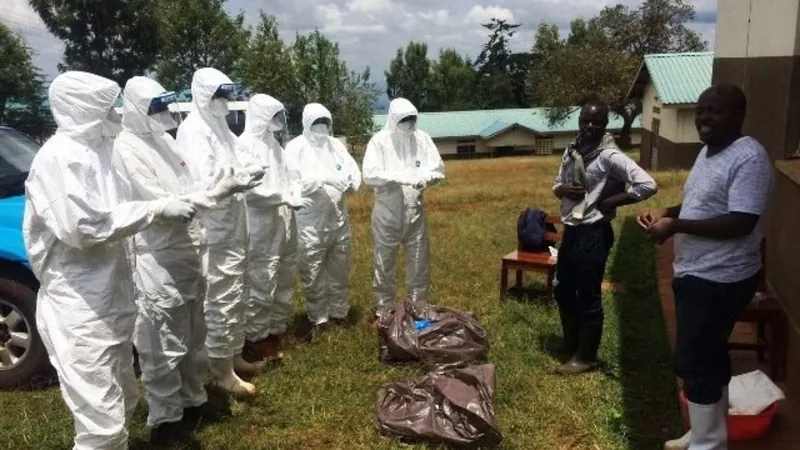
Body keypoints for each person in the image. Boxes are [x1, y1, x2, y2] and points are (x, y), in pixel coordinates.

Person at [22, 71, 197, 450]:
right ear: (84, 109)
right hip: (80, 307)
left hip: (114, 293)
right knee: (100, 421)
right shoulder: (59, 158)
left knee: (123, 398)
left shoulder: (105, 150)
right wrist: (155, 209)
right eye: (107, 105)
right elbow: (83, 229)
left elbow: (117, 210)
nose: (116, 112)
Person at [112, 76, 262, 444]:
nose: (163, 114)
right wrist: (213, 195)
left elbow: (191, 188)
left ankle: (193, 400)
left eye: (165, 105)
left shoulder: (165, 141)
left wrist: (221, 187)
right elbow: (164, 204)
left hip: (189, 249)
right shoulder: (126, 149)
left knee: (194, 332)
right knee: (162, 340)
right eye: (155, 108)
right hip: (157, 255)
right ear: (134, 110)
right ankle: (165, 421)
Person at [638, 85, 773, 450]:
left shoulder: (749, 158)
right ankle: (705, 432)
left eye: (715, 111)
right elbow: (701, 207)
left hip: (722, 277)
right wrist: (667, 213)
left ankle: (709, 443)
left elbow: (741, 222)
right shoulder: (708, 153)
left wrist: (676, 226)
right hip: (696, 271)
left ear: (739, 115)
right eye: (700, 111)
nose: (704, 118)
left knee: (695, 360)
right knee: (710, 354)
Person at [552, 99, 657, 376]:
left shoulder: (608, 155)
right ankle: (572, 342)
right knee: (563, 290)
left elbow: (647, 184)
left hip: (594, 232)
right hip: (572, 230)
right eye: (585, 120)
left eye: (596, 122)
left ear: (604, 124)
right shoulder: (573, 149)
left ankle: (586, 357)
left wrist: (613, 202)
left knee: (587, 294)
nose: (589, 126)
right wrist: (564, 189)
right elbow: (555, 186)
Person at [176, 68, 264, 396]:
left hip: (234, 224)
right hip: (214, 229)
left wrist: (251, 169)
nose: (223, 102)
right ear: (202, 96)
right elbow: (202, 184)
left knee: (236, 292)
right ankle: (219, 369)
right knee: (220, 298)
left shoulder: (221, 127)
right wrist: (230, 182)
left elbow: (240, 156)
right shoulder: (194, 131)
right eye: (217, 96)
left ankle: (234, 354)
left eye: (226, 95)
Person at [238, 94, 310, 360]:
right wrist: (281, 197)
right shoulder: (244, 146)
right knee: (262, 279)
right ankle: (257, 338)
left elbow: (292, 175)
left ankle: (277, 329)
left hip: (284, 221)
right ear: (259, 116)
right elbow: (249, 191)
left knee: (285, 275)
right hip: (260, 225)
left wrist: (295, 192)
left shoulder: (275, 146)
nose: (278, 122)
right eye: (273, 116)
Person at [284, 103, 361, 341]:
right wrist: (324, 179)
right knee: (313, 272)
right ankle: (319, 319)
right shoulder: (295, 148)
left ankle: (339, 313)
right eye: (316, 123)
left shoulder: (336, 145)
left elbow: (352, 169)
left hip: (338, 219)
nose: (321, 128)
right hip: (311, 224)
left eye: (325, 123)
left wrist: (352, 183)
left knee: (340, 268)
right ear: (307, 124)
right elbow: (293, 181)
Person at [362, 97, 444, 320]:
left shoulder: (422, 138)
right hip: (387, 214)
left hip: (415, 213)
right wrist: (396, 177)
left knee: (419, 263)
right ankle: (384, 311)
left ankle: (419, 308)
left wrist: (425, 178)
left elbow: (438, 168)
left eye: (411, 119)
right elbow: (369, 174)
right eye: (403, 119)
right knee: (384, 263)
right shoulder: (379, 142)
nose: (408, 123)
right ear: (393, 119)